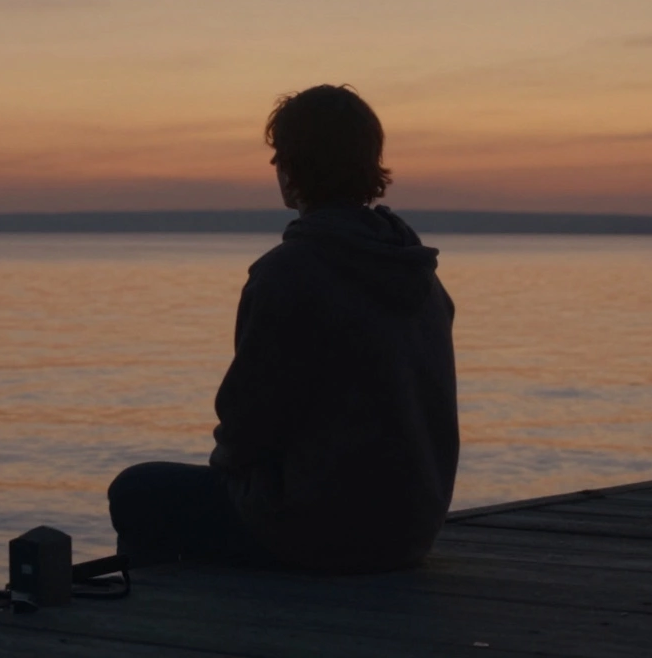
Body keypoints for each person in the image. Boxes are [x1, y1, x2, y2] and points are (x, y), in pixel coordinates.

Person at [108, 84, 459, 574]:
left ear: (292, 168)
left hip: (319, 530)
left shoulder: (288, 272)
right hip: (409, 530)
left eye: (279, 158)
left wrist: (232, 468)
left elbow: (247, 420)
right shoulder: (419, 272)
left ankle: (159, 621)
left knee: (137, 491)